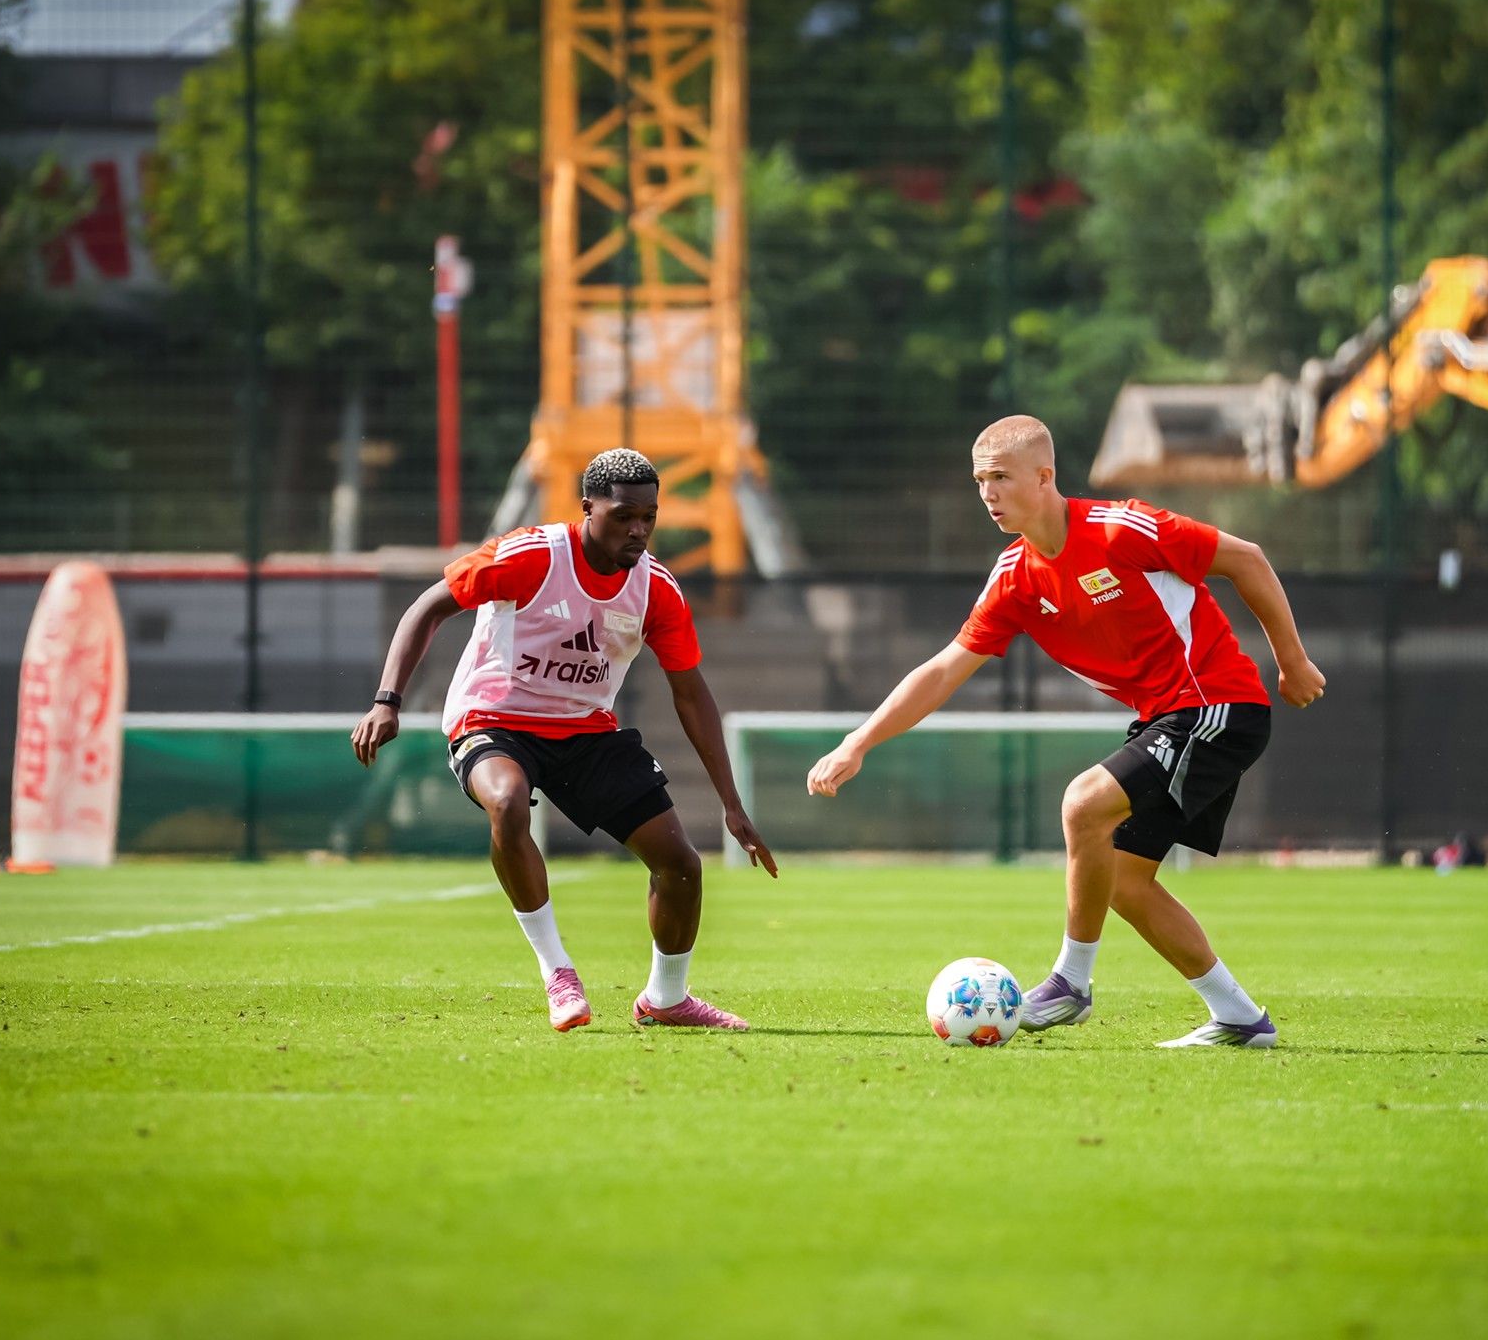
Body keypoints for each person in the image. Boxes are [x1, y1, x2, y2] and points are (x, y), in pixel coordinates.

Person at [806, 416, 1324, 1048]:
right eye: (979, 481)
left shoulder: (1120, 528)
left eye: (1000, 477)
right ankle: (1241, 1019)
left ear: (1045, 477)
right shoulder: (1015, 578)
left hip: (1216, 704)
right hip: (1167, 717)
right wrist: (856, 742)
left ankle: (1071, 984)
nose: (987, 494)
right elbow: (944, 669)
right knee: (1126, 884)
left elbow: (1246, 558)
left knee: (1083, 803)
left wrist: (1291, 661)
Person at [351, 448, 777, 1033]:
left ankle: (666, 999)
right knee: (506, 802)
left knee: (680, 864)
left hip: (585, 730)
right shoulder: (529, 555)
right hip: (493, 717)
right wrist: (386, 701)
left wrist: (731, 803)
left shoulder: (656, 587)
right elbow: (427, 607)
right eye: (625, 515)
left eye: (650, 516)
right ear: (587, 508)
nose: (639, 529)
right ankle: (558, 973)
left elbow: (691, 693)